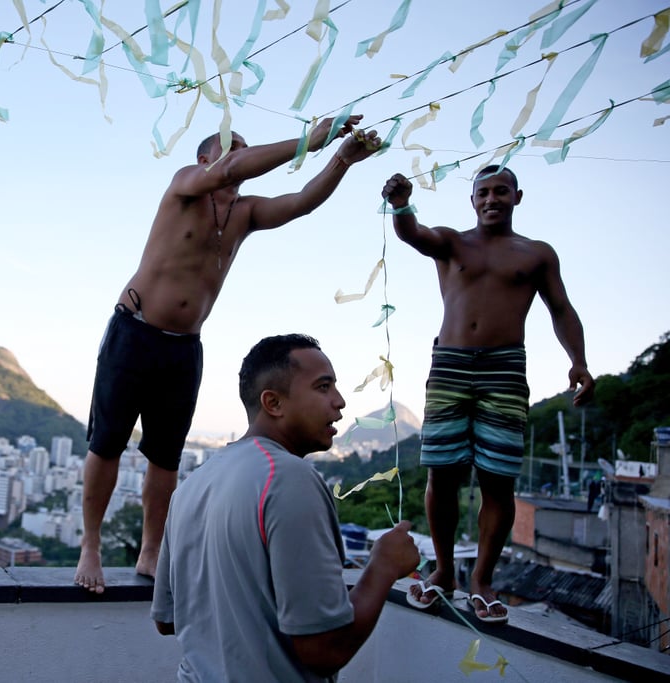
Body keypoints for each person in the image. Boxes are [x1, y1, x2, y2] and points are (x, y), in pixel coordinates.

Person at [75, 117, 384, 593]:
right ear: (205, 160)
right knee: (107, 442)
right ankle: (90, 545)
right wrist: (313, 138)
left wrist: (341, 158)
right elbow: (233, 166)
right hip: (134, 330)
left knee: (166, 458)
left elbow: (301, 202)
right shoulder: (185, 186)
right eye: (229, 149)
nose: (239, 154)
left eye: (242, 147)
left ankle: (151, 550)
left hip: (184, 346)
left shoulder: (245, 213)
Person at [381, 165, 594, 624]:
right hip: (451, 364)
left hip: (505, 367)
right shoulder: (452, 242)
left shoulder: (536, 254)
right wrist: (401, 204)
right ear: (472, 200)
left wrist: (578, 360)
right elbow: (412, 234)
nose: (491, 199)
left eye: (501, 191)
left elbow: (561, 308)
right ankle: (442, 572)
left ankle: (482, 579)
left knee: (498, 478)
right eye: (483, 192)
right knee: (442, 473)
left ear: (518, 196)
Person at [151, 334, 420, 681]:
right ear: (273, 403)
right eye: (323, 387)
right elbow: (324, 650)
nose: (339, 402)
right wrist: (382, 566)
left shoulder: (193, 485)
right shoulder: (288, 478)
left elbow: (166, 619)